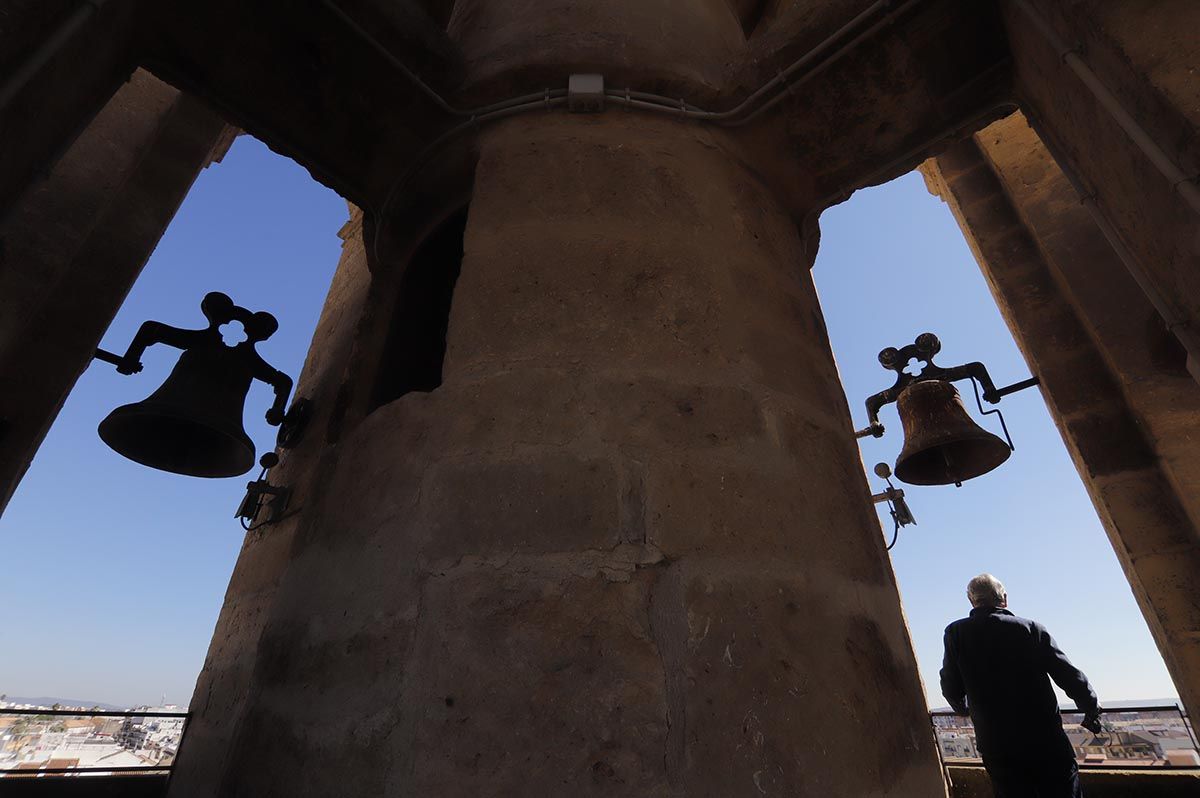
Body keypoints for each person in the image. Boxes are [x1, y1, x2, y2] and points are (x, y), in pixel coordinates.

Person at [940, 574, 1102, 797]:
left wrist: (962, 708)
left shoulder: (955, 633)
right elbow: (1067, 674)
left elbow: (950, 683)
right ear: (1004, 599)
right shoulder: (1031, 629)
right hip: (1044, 739)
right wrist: (1090, 706)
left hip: (997, 744)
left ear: (971, 601)